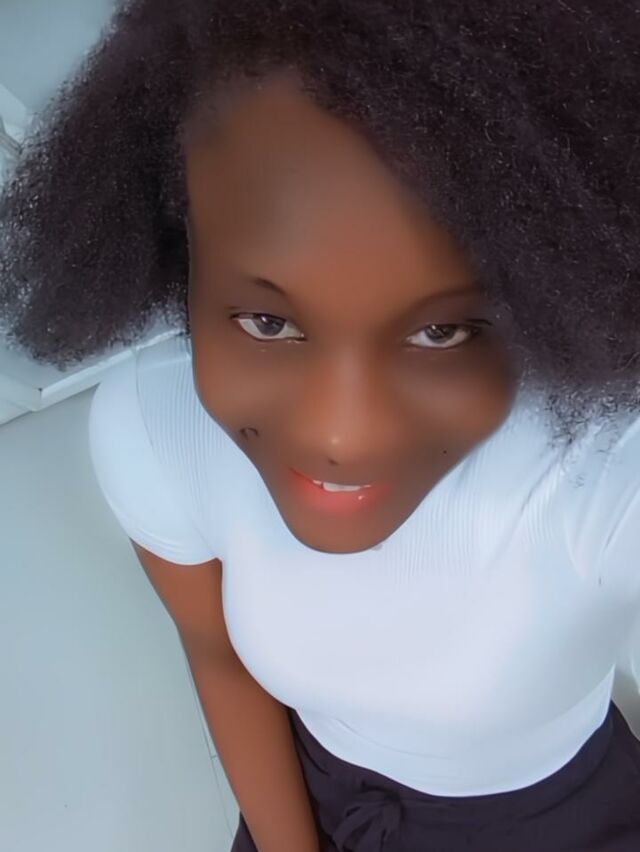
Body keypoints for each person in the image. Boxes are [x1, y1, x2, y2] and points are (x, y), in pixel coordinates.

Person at [1, 1, 640, 849]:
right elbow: (220, 658)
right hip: (310, 795)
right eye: (268, 322)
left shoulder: (605, 463)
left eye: (440, 332)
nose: (343, 436)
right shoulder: (156, 426)